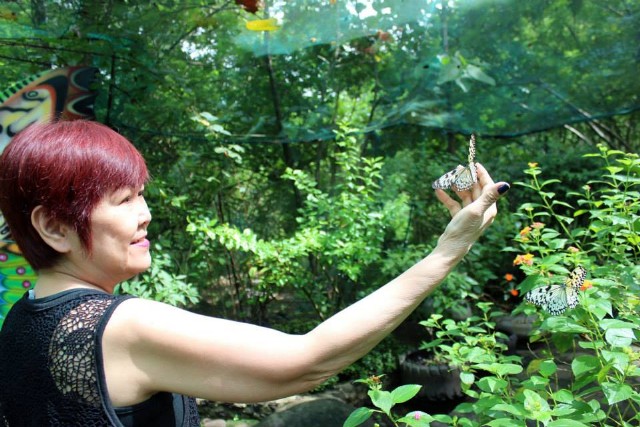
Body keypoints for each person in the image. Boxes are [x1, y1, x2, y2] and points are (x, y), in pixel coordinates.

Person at [0, 120, 509, 426]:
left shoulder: (22, 320)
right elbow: (307, 362)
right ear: (54, 227)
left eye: (141, 195)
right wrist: (447, 252)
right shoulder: (119, 326)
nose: (146, 213)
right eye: (123, 200)